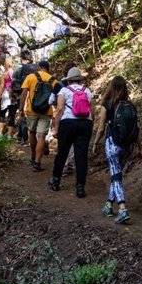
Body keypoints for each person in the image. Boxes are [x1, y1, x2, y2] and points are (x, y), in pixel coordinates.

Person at [92, 76, 142, 225]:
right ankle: (109, 204)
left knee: (116, 176)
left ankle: (122, 209)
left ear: (111, 87)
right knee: (116, 174)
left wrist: (95, 143)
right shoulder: (131, 106)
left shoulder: (107, 105)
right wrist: (140, 148)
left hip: (113, 144)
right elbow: (137, 129)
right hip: (127, 146)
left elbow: (101, 128)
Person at [49, 67, 93, 198]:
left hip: (68, 123)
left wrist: (56, 128)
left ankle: (56, 181)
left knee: (62, 152)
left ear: (68, 80)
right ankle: (80, 187)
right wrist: (90, 124)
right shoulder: (88, 91)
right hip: (85, 123)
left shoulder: (64, 90)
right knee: (81, 156)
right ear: (79, 80)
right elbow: (93, 111)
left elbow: (60, 109)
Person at [19, 60, 58, 171]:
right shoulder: (53, 80)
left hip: (32, 110)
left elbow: (24, 93)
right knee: (41, 136)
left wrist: (21, 109)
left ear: (39, 67)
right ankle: (37, 162)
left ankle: (33, 155)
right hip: (46, 111)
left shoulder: (31, 77)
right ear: (48, 68)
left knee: (32, 132)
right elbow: (57, 98)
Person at [0, 58, 17, 137]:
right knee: (12, 115)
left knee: (2, 114)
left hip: (5, 94)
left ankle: (0, 133)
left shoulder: (4, 74)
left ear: (5, 64)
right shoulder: (15, 73)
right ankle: (9, 135)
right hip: (13, 96)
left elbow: (1, 86)